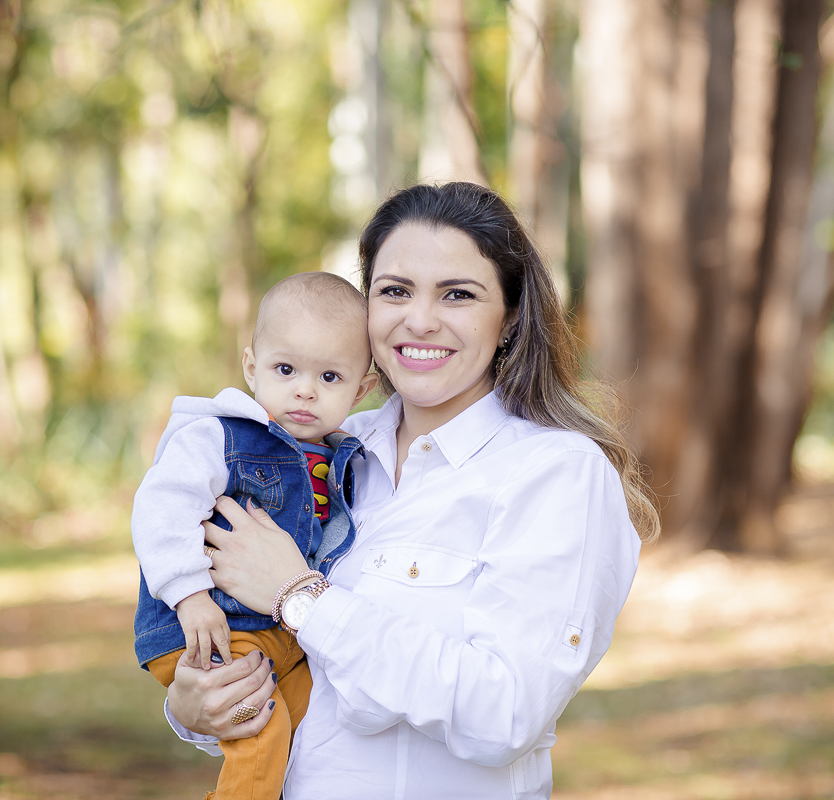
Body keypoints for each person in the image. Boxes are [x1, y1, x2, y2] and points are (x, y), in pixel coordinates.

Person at [166, 182, 660, 800]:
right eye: (395, 291)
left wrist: (301, 596)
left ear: (508, 317)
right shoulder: (324, 454)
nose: (420, 320)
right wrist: (197, 710)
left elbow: (505, 712)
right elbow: (293, 686)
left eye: (457, 295)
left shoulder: (555, 473)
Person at [130, 271, 378, 800]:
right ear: (251, 366)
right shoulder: (219, 435)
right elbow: (161, 508)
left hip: (281, 636)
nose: (305, 389)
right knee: (260, 734)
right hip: (210, 625)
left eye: (330, 377)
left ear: (362, 390)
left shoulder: (344, 457)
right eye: (285, 368)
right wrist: (190, 595)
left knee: (320, 719)